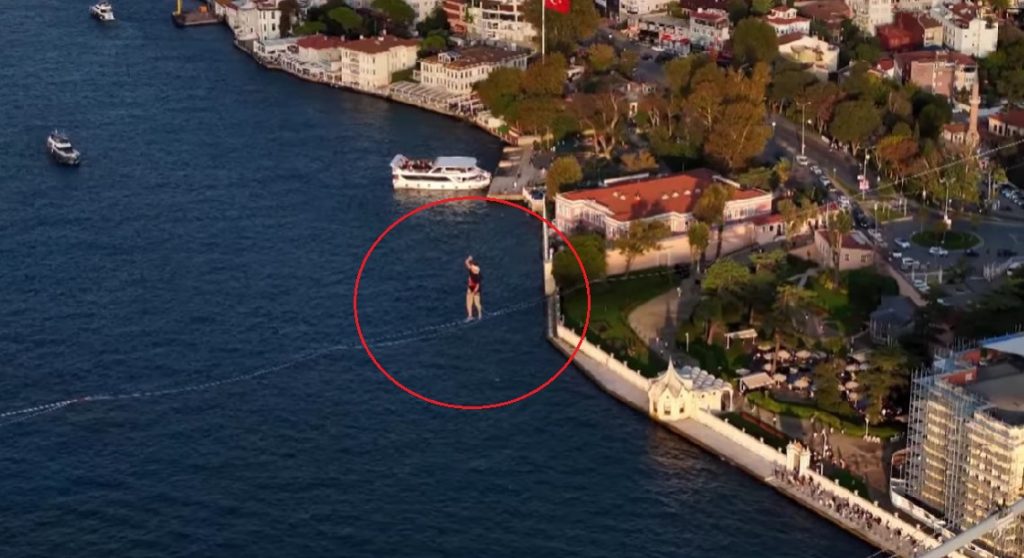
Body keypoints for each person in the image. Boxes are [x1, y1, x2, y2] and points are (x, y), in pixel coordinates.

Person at [465, 255, 482, 321]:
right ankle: (471, 316)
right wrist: (469, 259)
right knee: (469, 302)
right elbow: (466, 263)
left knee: (476, 303)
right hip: (471, 288)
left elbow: (478, 285)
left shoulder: (477, 275)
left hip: (475, 289)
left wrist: (474, 291)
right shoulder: (473, 269)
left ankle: (479, 315)